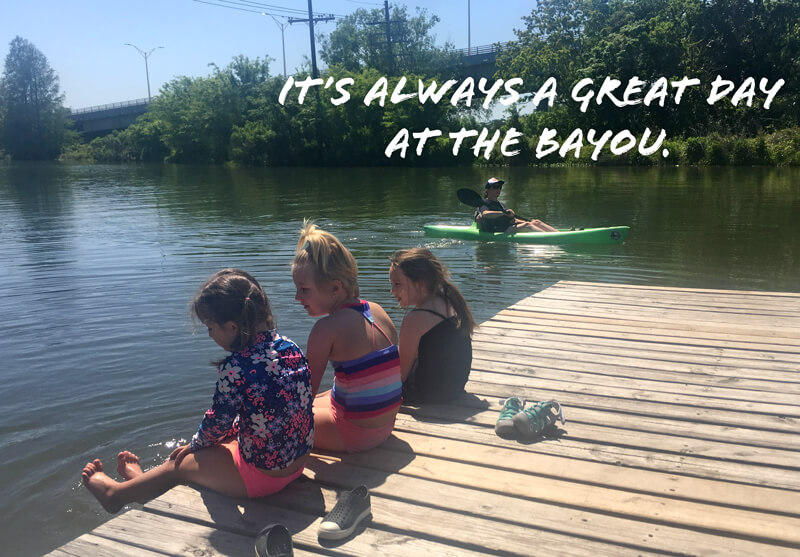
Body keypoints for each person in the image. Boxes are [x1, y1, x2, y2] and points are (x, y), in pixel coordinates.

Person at [81, 269, 314, 513]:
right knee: (214, 446)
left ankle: (116, 495)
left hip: (264, 478)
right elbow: (272, 413)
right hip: (297, 464)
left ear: (232, 326)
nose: (210, 335)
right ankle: (143, 481)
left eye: (210, 328)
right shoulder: (290, 347)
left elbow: (217, 422)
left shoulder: (236, 367)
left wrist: (195, 445)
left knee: (180, 463)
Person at [292, 221, 401, 453]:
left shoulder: (325, 329)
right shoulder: (376, 310)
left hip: (354, 434)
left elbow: (303, 396)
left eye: (304, 289)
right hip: (386, 425)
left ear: (335, 288)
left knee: (272, 421)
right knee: (323, 396)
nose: (296, 297)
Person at [389, 248, 477, 404]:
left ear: (420, 284)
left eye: (397, 284)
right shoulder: (449, 302)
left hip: (425, 395)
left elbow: (399, 377)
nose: (392, 291)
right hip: (453, 390)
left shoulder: (415, 319)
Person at [475, 177, 558, 233]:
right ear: (487, 190)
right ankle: (552, 238)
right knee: (527, 225)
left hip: (507, 226)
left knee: (536, 222)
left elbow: (512, 220)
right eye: (495, 187)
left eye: (500, 187)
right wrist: (503, 213)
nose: (498, 189)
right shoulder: (483, 203)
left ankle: (559, 234)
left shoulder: (501, 204)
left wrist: (528, 222)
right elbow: (485, 214)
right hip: (495, 229)